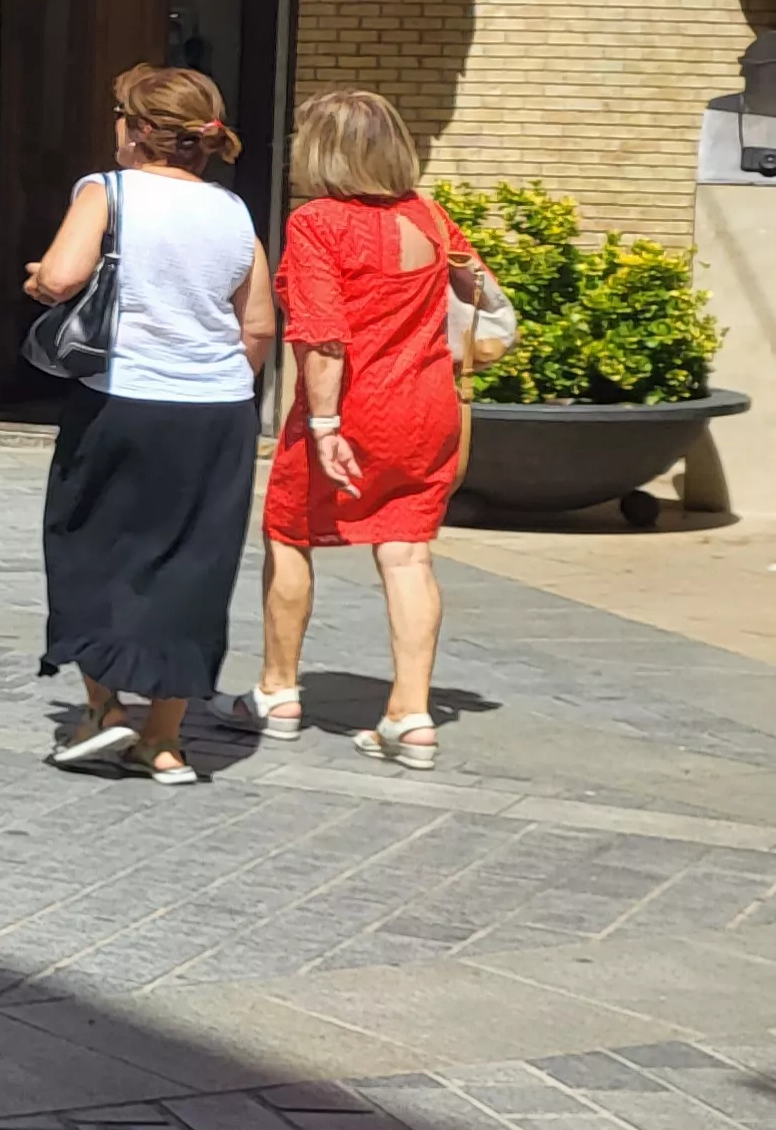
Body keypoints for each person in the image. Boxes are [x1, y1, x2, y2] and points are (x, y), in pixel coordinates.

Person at [28, 65, 275, 787]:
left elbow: (65, 278)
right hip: (218, 410)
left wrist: (41, 278)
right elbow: (256, 323)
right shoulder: (234, 211)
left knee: (87, 546)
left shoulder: (108, 190)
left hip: (124, 398)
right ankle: (165, 741)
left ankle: (104, 710)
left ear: (138, 133)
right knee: (192, 566)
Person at [223, 88, 460, 770]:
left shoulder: (319, 222)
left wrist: (323, 422)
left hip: (354, 408)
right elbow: (479, 289)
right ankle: (411, 716)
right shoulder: (432, 217)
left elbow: (324, 335)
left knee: (289, 533)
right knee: (407, 552)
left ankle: (278, 690)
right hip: (427, 405)